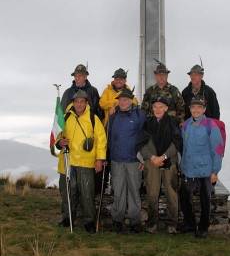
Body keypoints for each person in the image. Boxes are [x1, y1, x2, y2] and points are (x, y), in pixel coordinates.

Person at [56, 90, 107, 233]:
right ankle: (67, 218)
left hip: (86, 162)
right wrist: (60, 142)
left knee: (87, 194)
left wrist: (99, 159)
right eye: (76, 101)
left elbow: (101, 140)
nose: (79, 104)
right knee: (67, 192)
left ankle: (89, 222)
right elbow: (58, 135)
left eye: (82, 101)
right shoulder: (66, 117)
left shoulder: (93, 118)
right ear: (73, 102)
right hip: (68, 161)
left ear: (86, 103)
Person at [179, 97, 224, 238]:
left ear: (204, 109)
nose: (196, 110)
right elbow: (183, 149)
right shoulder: (185, 125)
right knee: (184, 197)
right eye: (193, 107)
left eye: (199, 107)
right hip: (189, 169)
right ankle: (190, 224)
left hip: (205, 170)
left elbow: (217, 149)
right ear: (190, 109)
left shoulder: (211, 125)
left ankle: (203, 227)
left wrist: (215, 171)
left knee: (205, 200)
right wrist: (182, 166)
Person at [138, 96, 182, 234]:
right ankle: (152, 223)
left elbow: (176, 143)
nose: (158, 109)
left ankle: (172, 224)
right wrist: (152, 157)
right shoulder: (147, 123)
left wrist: (163, 157)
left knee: (172, 194)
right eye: (155, 106)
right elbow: (141, 144)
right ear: (152, 108)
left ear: (166, 108)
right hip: (151, 163)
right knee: (152, 193)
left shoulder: (173, 122)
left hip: (169, 162)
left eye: (161, 106)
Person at [108, 88, 145, 233]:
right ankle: (117, 220)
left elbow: (145, 137)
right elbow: (109, 137)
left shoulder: (140, 115)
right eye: (120, 100)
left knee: (134, 192)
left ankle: (135, 221)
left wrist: (143, 158)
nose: (122, 102)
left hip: (134, 160)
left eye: (125, 100)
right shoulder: (113, 116)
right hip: (117, 160)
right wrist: (107, 157)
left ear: (131, 100)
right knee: (118, 191)